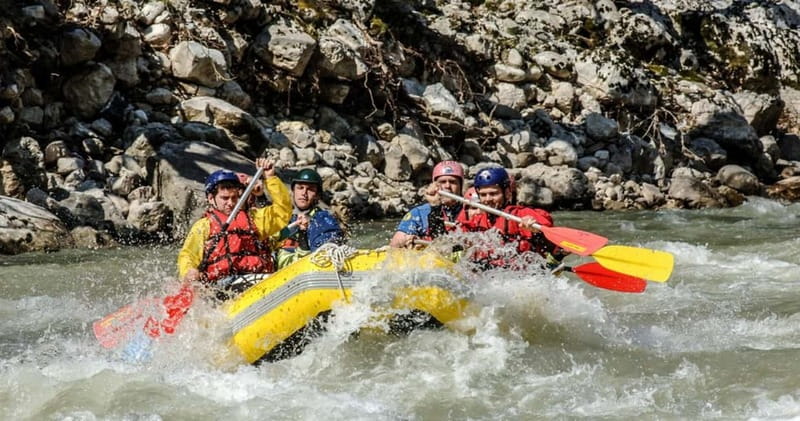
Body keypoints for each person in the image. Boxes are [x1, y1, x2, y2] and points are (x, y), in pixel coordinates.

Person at [177, 158, 292, 290]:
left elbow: (283, 211)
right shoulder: (203, 226)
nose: (230, 203)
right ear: (211, 198)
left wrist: (270, 178)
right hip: (223, 284)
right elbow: (188, 255)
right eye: (225, 198)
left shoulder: (254, 218)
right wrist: (189, 271)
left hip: (258, 278)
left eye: (234, 198)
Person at [456, 167, 565, 268]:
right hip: (491, 274)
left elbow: (546, 223)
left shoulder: (520, 214)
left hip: (525, 274)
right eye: (483, 195)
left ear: (507, 193)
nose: (487, 199)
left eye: (493, 194)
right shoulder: (477, 220)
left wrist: (535, 228)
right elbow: (456, 233)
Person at [274, 168, 345, 269]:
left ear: (317, 195)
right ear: (293, 191)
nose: (304, 193)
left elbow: (323, 253)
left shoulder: (322, 219)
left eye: (310, 189)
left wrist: (303, 234)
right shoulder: (284, 217)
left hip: (306, 269)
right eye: (300, 188)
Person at [390, 160, 465, 248]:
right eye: (442, 182)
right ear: (434, 186)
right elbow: (395, 244)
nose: (447, 186)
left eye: (453, 182)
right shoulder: (418, 213)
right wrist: (407, 239)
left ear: (460, 186)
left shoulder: (470, 211)